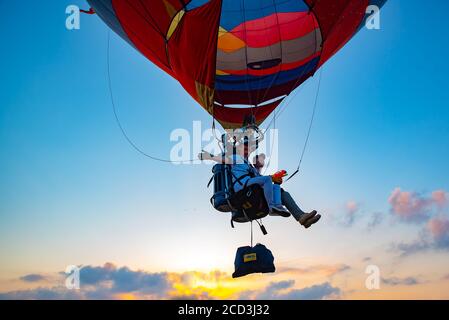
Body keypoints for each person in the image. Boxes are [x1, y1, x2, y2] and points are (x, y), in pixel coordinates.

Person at [252, 154, 321, 229]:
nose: (262, 161)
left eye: (263, 160)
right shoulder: (251, 170)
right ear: (255, 162)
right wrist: (273, 178)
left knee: (284, 194)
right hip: (256, 196)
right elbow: (255, 182)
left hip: (265, 195)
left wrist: (276, 182)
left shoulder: (259, 174)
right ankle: (275, 208)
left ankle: (302, 218)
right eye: (260, 159)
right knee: (279, 190)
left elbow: (265, 182)